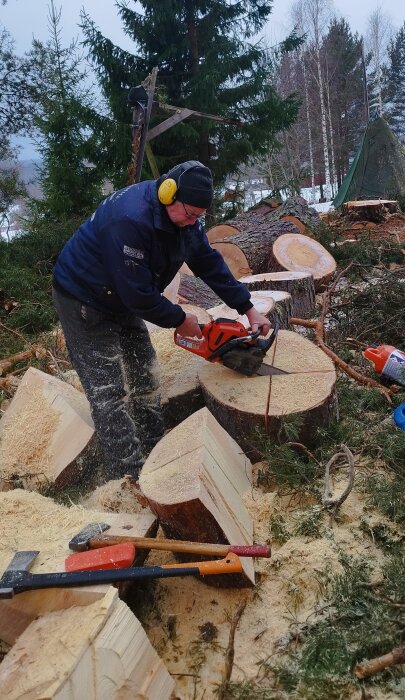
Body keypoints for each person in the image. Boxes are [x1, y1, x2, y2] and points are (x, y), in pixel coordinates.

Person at [52, 160, 271, 479]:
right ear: (169, 194)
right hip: (83, 297)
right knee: (108, 391)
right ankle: (126, 478)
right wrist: (180, 318)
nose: (193, 221)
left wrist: (247, 307)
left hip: (121, 295)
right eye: (189, 213)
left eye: (200, 216)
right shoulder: (130, 220)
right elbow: (138, 295)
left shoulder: (187, 219)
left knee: (145, 375)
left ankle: (155, 448)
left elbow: (208, 262)